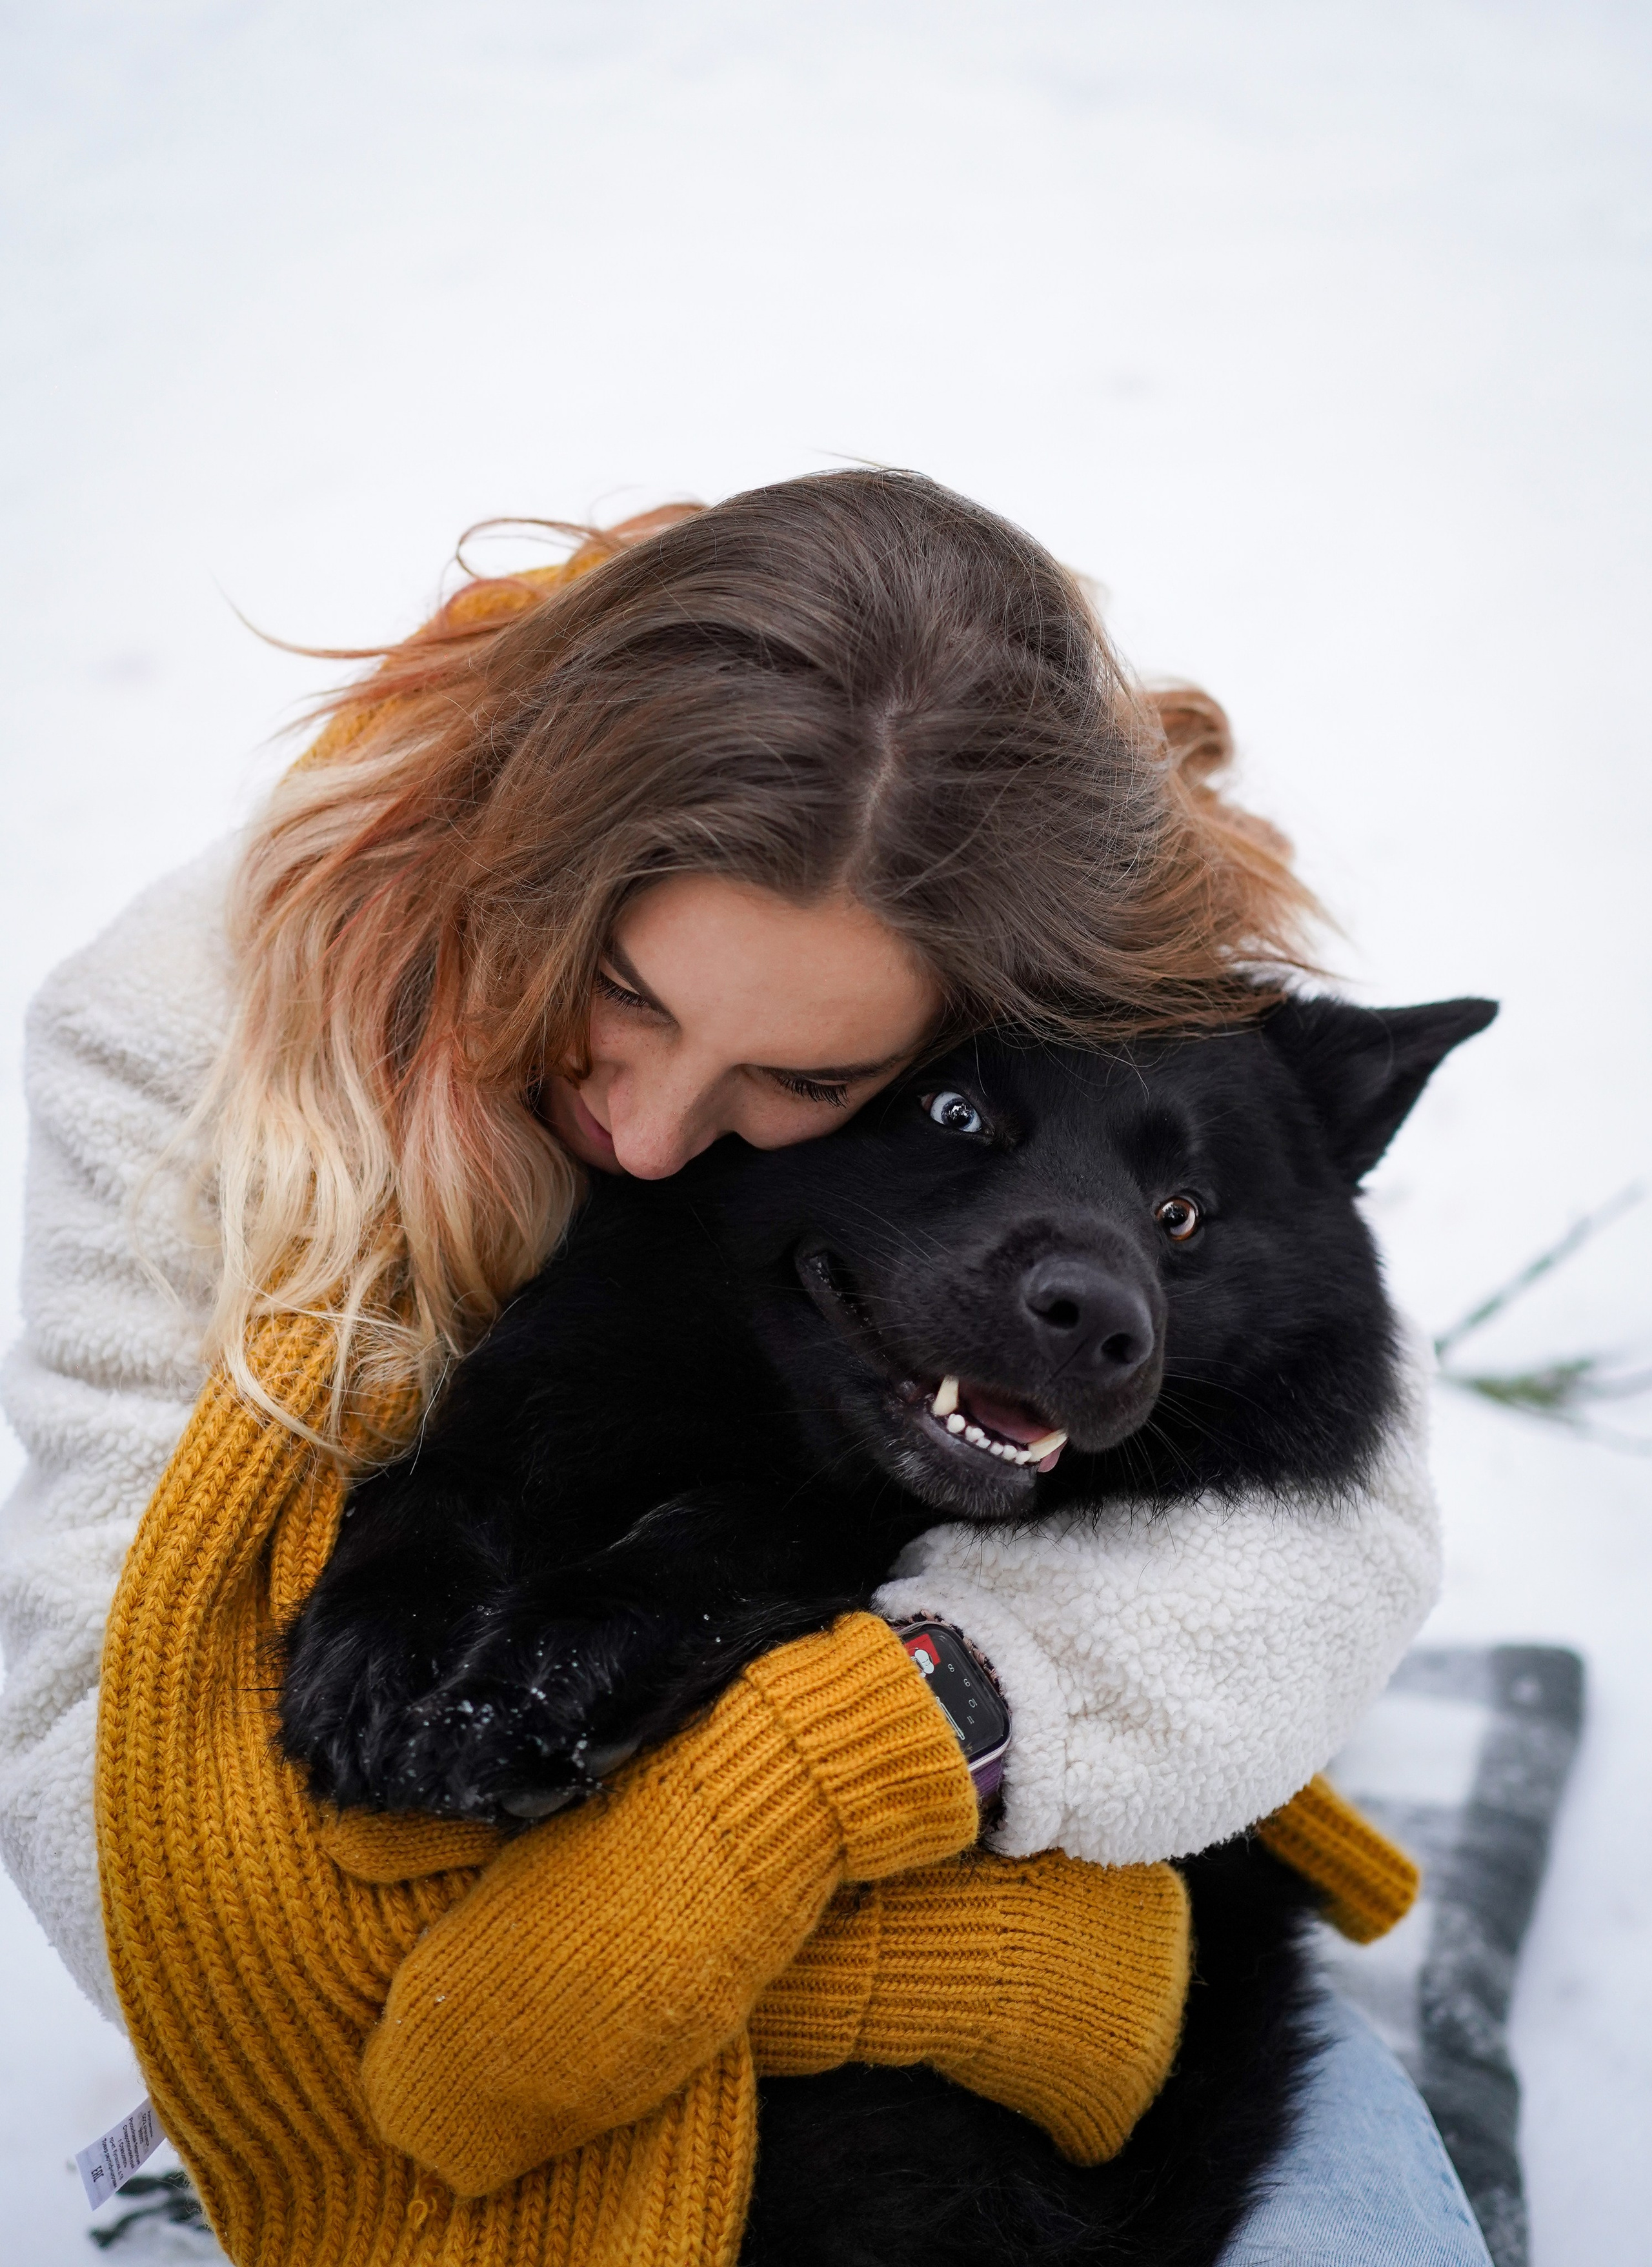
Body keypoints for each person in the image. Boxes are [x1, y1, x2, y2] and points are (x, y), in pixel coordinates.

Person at [0, 470, 1491, 2265]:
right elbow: (96, 1765)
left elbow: (1329, 1548)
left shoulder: (1075, 1048)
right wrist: (1001, 1966)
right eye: (624, 990)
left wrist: (872, 1748)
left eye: (797, 1080)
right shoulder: (181, 1043)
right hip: (384, 2016)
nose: (644, 1140)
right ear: (528, 841)